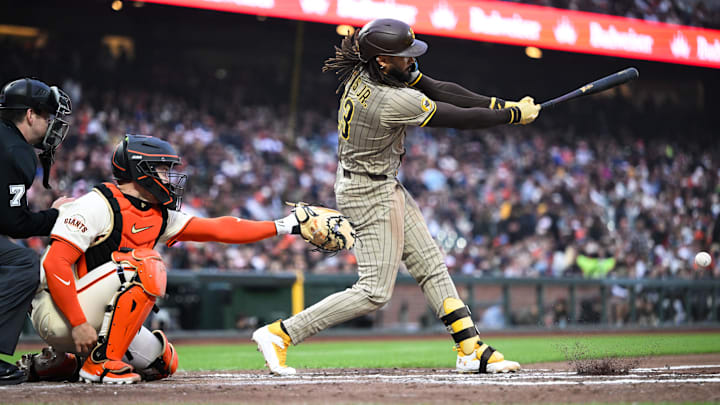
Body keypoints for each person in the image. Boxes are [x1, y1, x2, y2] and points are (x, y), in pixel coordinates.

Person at [252, 18, 540, 375]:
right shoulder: (388, 99)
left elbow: (437, 86)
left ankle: (469, 348)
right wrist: (511, 115)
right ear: (383, 61)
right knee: (374, 291)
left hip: (377, 181)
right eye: (403, 55)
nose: (411, 60)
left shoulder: (369, 72)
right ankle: (281, 333)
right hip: (368, 190)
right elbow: (457, 116)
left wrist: (502, 103)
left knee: (430, 265)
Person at [23, 134, 303, 384]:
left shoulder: (158, 214)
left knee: (163, 363)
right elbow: (54, 263)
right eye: (162, 169)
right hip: (59, 312)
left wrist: (285, 225)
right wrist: (78, 323)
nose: (169, 177)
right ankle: (100, 365)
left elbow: (220, 228)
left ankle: (63, 364)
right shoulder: (95, 204)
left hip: (92, 313)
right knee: (147, 263)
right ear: (140, 170)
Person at [0, 78, 73, 385]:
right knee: (24, 263)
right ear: (30, 115)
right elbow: (13, 223)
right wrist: (57, 217)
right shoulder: (17, 151)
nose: (50, 123)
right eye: (47, 115)